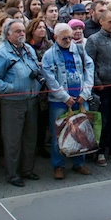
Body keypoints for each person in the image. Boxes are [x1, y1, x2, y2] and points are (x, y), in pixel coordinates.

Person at [0, 19, 43, 187]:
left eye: (23, 31)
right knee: (12, 140)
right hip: (12, 102)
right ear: (7, 34)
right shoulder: (1, 53)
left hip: (31, 100)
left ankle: (27, 169)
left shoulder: (28, 49)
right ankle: (12, 174)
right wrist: (10, 88)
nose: (21, 34)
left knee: (30, 138)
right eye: (17, 31)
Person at [40, 23, 94, 178]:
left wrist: (86, 92)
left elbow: (89, 68)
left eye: (70, 37)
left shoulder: (79, 49)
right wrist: (64, 97)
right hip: (59, 102)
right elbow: (50, 79)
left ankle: (79, 163)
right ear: (55, 37)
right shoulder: (49, 55)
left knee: (81, 132)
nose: (68, 40)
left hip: (81, 98)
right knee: (59, 135)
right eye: (65, 38)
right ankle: (58, 165)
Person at [84, 9, 111, 165]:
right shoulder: (93, 40)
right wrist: (97, 83)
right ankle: (100, 151)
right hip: (102, 87)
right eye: (110, 21)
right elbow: (90, 64)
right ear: (101, 22)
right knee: (103, 120)